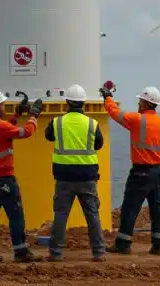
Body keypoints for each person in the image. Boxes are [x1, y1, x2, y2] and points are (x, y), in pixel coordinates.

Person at [101, 84, 160, 256]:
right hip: (158, 172)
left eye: (140, 100)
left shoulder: (137, 120)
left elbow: (115, 113)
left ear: (145, 103)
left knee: (130, 208)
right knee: (158, 210)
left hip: (140, 172)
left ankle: (123, 244)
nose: (138, 103)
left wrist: (107, 97)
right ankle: (159, 245)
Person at [0, 87, 43, 263]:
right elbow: (25, 132)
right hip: (5, 178)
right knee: (15, 214)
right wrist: (34, 116)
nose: (4, 107)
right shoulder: (0, 126)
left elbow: (4, 131)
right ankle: (20, 252)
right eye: (3, 105)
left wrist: (17, 115)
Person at [44, 84, 107, 262]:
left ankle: (55, 253)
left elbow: (48, 136)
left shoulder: (57, 122)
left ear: (67, 103)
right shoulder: (92, 124)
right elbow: (98, 144)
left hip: (64, 177)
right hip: (87, 177)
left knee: (61, 215)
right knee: (92, 214)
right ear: (83, 103)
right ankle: (99, 252)